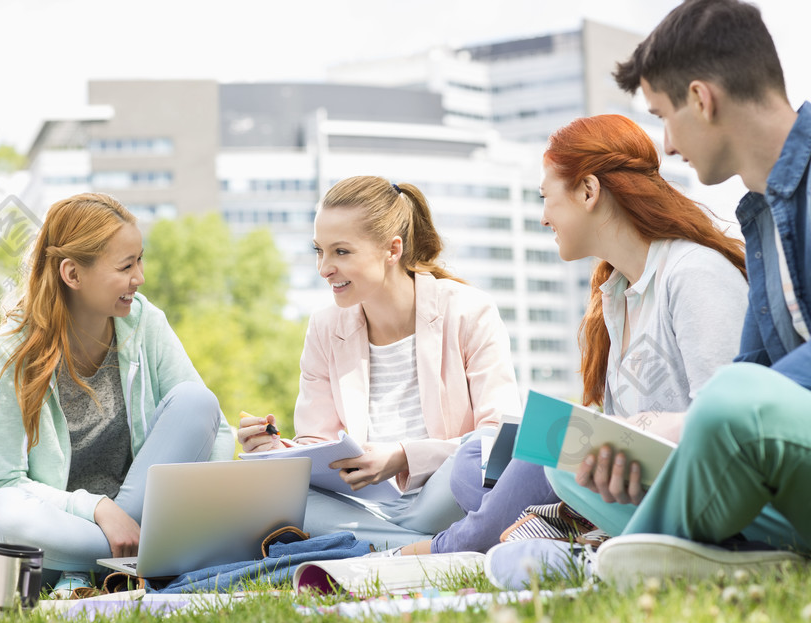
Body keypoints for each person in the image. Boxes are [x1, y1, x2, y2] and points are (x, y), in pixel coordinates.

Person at [405, 113, 751, 565]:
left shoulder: (694, 276)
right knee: (473, 465)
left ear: (588, 191)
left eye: (547, 198)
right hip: (635, 491)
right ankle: (532, 528)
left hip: (703, 500)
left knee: (551, 448)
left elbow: (732, 432)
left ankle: (439, 548)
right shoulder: (616, 296)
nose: (545, 217)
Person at [556, 0, 811, 584]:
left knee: (731, 398)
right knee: (576, 465)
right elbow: (750, 368)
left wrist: (691, 424)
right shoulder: (763, 216)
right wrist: (658, 435)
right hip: (787, 460)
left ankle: (642, 557)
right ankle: (737, 554)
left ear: (702, 98)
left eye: (664, 116)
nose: (667, 146)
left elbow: (741, 392)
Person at [238, 176, 522, 549]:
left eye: (341, 252)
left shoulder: (469, 310)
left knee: (474, 456)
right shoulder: (326, 328)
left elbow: (498, 441)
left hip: (445, 493)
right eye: (319, 251)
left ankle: (377, 545)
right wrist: (278, 453)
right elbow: (318, 443)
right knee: (268, 495)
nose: (324, 268)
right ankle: (425, 548)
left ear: (392, 249)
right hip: (369, 506)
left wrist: (403, 457)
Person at [0, 193, 234, 596]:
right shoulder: (15, 347)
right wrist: (96, 508)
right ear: (72, 274)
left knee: (197, 401)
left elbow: (211, 430)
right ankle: (141, 561)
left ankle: (108, 568)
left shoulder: (145, 322)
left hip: (146, 515)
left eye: (140, 260)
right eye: (126, 266)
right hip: (65, 531)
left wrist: (210, 516)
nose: (140, 278)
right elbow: (3, 481)